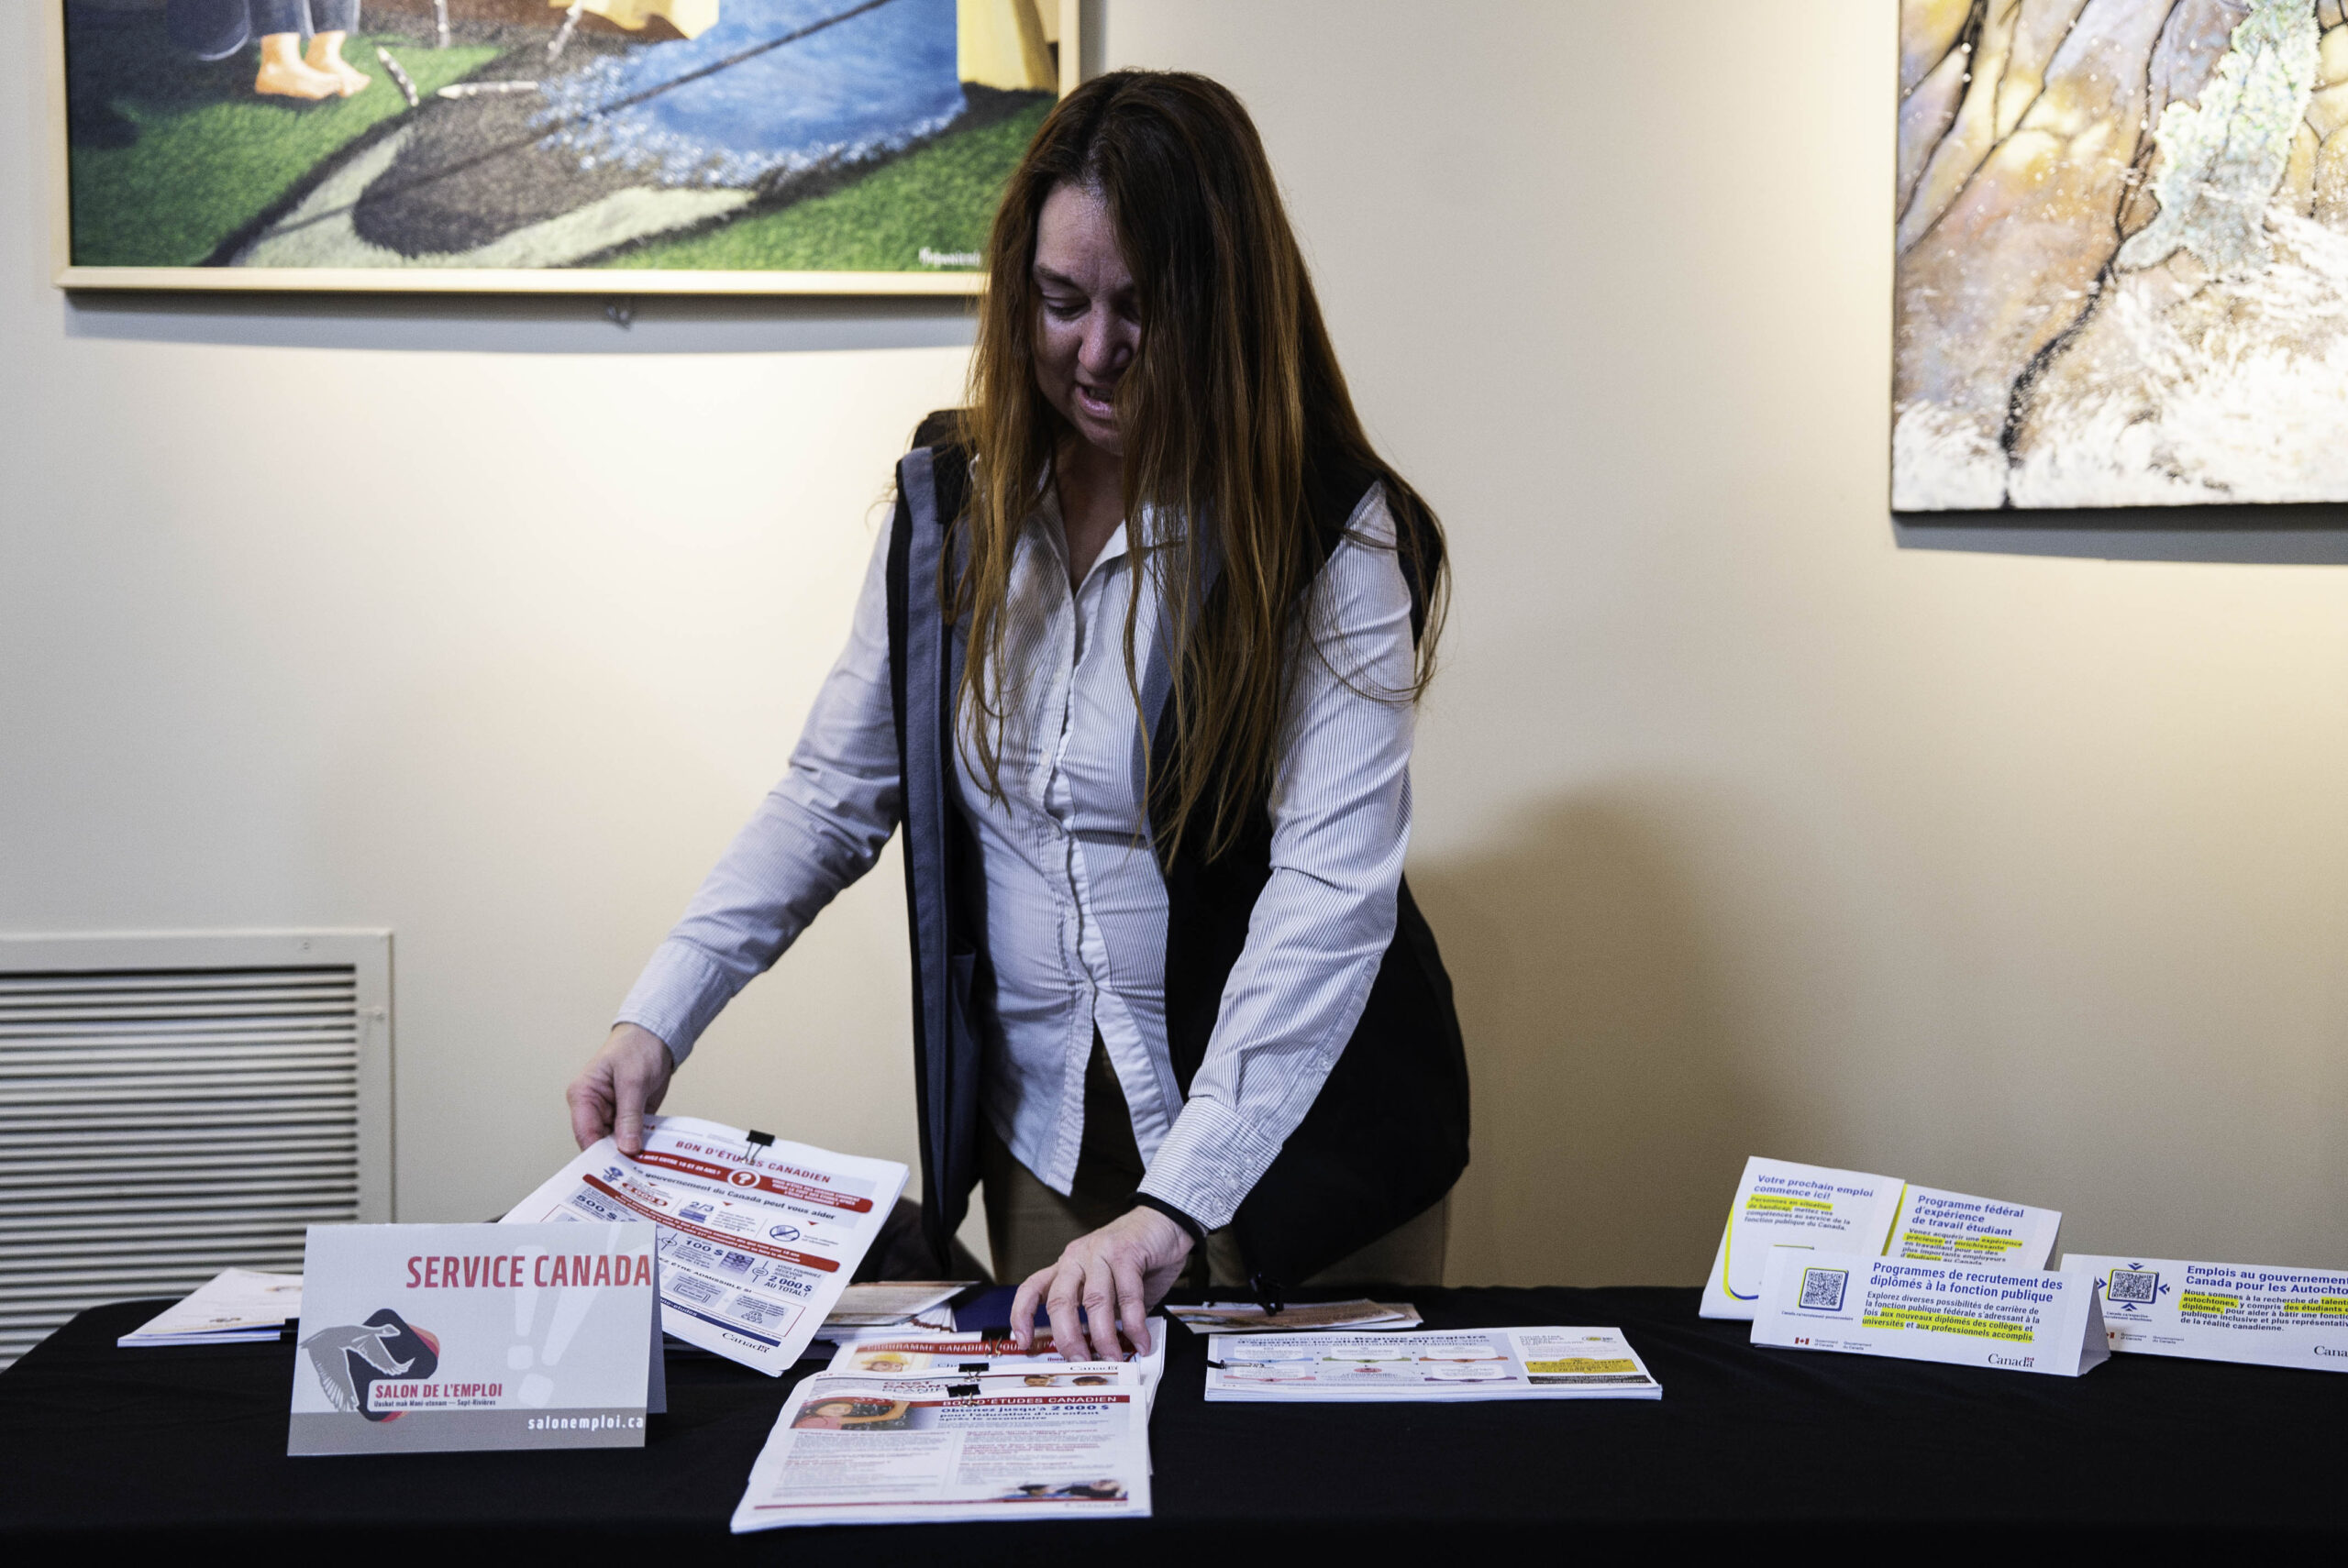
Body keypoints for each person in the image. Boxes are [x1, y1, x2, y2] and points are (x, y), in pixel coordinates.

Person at [567, 69, 1468, 1364]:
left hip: (1302, 1158)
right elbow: (830, 797)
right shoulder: (956, 507)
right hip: (1051, 1150)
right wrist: (657, 1013)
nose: (1094, 353)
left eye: (1142, 309)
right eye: (1061, 302)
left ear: (1226, 306)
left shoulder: (1332, 533)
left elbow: (1330, 897)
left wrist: (1179, 1201)